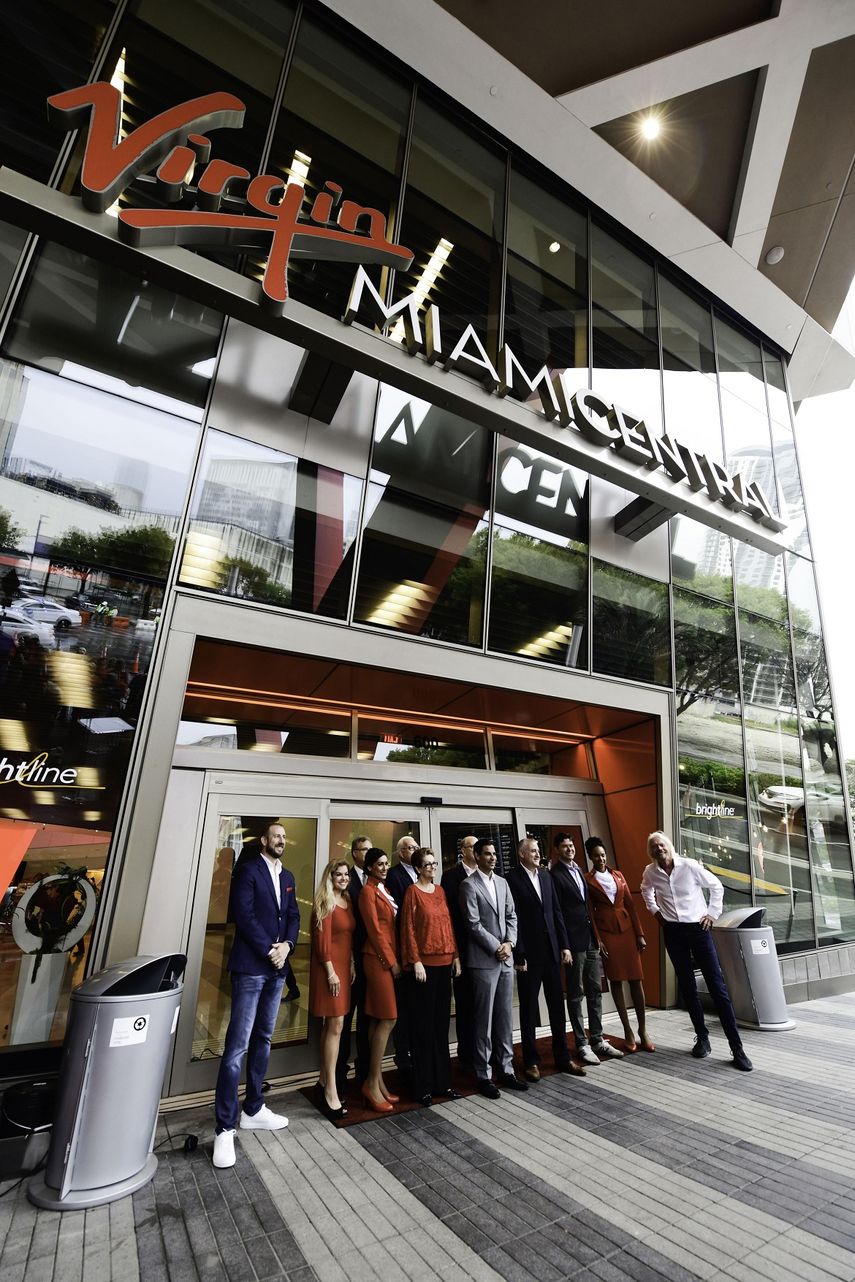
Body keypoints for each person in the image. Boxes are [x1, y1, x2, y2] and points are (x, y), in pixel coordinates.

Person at [212, 821, 300, 1169]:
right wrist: (271, 949)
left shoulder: (288, 875)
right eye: (275, 836)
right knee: (237, 1046)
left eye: (283, 837)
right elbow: (244, 915)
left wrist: (289, 946)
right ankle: (224, 1127)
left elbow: (293, 916)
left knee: (264, 1038)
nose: (280, 840)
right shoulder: (248, 870)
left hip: (276, 969)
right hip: (251, 966)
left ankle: (253, 1108)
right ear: (264, 840)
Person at [640, 831, 753, 1071]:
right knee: (688, 988)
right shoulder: (651, 872)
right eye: (654, 847)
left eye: (661, 845)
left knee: (717, 987)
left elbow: (716, 886)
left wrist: (712, 914)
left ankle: (737, 1048)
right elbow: (645, 891)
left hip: (698, 930)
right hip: (673, 932)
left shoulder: (689, 866)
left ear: (668, 846)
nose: (659, 849)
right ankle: (702, 1038)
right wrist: (656, 913)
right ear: (651, 852)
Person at [507, 837, 586, 1080]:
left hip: (552, 952)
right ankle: (531, 1061)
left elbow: (556, 912)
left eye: (538, 850)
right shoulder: (511, 879)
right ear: (521, 854)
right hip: (529, 956)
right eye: (532, 851)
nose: (537, 854)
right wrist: (518, 952)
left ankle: (562, 1057)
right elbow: (513, 918)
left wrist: (565, 945)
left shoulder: (546, 876)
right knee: (529, 1009)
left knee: (556, 1007)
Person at [460, 838, 528, 1097]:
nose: (492, 858)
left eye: (493, 854)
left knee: (504, 1018)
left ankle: (507, 1069)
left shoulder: (503, 883)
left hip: (506, 959)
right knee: (483, 1021)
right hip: (484, 961)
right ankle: (483, 1074)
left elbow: (512, 915)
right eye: (486, 854)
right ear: (476, 856)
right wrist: (496, 946)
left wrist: (509, 943)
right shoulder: (468, 885)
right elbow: (472, 923)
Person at [550, 832, 624, 1066]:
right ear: (557, 850)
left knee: (595, 990)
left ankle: (598, 1039)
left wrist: (597, 937)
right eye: (564, 846)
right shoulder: (555, 875)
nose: (569, 849)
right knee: (575, 993)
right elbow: (558, 913)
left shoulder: (579, 871)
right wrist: (565, 945)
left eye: (571, 845)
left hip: (591, 939)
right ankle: (581, 1043)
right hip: (573, 943)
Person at [400, 847, 462, 1106]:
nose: (432, 868)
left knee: (440, 1026)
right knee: (423, 1028)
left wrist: (456, 955)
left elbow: (448, 925)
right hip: (423, 966)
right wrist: (415, 961)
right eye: (427, 865)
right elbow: (409, 929)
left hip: (445, 962)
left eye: (434, 864)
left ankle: (443, 1083)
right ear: (417, 868)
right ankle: (422, 1086)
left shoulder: (440, 891)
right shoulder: (412, 892)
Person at [584, 837, 654, 1053]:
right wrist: (598, 939)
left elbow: (631, 907)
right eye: (596, 855)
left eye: (603, 854)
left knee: (636, 980)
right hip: (607, 934)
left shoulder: (619, 875)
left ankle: (643, 1030)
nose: (601, 858)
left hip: (627, 932)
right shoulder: (587, 879)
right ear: (590, 857)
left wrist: (640, 934)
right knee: (616, 981)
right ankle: (628, 1031)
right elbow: (589, 913)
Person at [309, 859, 356, 1119]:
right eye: (338, 874)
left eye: (346, 874)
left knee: (334, 1026)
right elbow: (322, 942)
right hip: (329, 971)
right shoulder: (324, 902)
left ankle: (322, 1082)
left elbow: (347, 938)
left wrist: (351, 963)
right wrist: (331, 972)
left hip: (343, 967)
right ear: (330, 876)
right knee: (336, 1025)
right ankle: (331, 1093)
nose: (343, 878)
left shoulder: (347, 901)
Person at [359, 847, 401, 1111]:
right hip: (377, 959)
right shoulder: (367, 892)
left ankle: (377, 1080)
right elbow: (374, 931)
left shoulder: (383, 889)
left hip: (386, 957)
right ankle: (371, 1085)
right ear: (370, 867)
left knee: (378, 1019)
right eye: (380, 864)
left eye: (387, 863)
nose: (385, 867)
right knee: (389, 1017)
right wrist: (391, 962)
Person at [336, 834, 372, 1094]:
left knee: (368, 1018)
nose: (369, 853)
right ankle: (339, 1072)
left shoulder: (380, 879)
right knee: (346, 1017)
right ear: (355, 853)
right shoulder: (346, 879)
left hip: (372, 959)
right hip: (350, 959)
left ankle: (364, 1071)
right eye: (365, 849)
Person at [441, 834, 478, 1074]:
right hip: (464, 951)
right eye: (472, 846)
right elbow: (450, 917)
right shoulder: (451, 877)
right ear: (462, 850)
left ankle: (488, 1053)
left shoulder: (488, 875)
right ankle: (468, 1058)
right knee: (466, 1006)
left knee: (486, 1006)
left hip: (488, 952)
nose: (476, 850)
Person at [386, 834, 419, 1080]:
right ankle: (402, 1055)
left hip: (423, 950)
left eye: (416, 847)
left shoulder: (422, 873)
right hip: (403, 949)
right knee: (404, 1007)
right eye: (409, 848)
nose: (414, 850)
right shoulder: (395, 875)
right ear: (400, 853)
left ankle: (418, 1052)